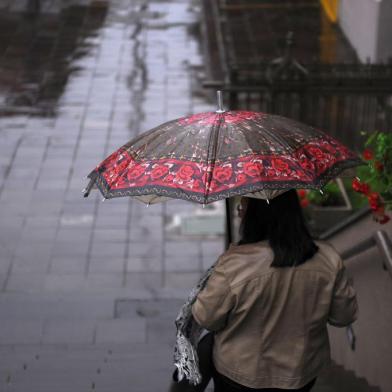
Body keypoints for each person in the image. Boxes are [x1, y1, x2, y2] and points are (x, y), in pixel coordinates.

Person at [190, 189, 358, 392]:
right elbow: (343, 317)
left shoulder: (234, 264)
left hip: (240, 374)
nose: (238, 212)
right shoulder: (329, 259)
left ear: (256, 215)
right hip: (301, 373)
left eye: (242, 206)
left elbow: (206, 318)